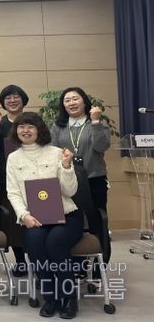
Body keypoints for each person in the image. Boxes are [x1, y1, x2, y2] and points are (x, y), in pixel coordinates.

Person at [6, 112, 81, 319]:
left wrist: (66, 166)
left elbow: (70, 191)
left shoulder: (57, 153)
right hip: (35, 218)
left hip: (66, 215)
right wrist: (24, 215)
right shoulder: (13, 158)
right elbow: (13, 192)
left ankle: (69, 297)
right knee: (35, 243)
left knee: (55, 242)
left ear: (39, 129)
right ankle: (51, 297)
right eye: (21, 126)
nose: (25, 130)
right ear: (16, 131)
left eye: (30, 126)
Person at [51, 87, 112, 265]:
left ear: (84, 101)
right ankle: (77, 263)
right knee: (72, 222)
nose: (72, 103)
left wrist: (95, 122)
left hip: (94, 179)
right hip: (67, 181)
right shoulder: (58, 126)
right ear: (63, 105)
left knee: (97, 221)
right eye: (67, 100)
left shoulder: (97, 123)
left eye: (75, 99)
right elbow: (53, 152)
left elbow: (101, 146)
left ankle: (100, 264)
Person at [0, 85, 29, 275]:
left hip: (32, 180)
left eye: (16, 97)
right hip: (6, 180)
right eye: (8, 98)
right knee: (12, 221)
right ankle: (20, 260)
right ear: (3, 103)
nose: (12, 101)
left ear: (23, 99)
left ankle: (36, 257)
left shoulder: (32, 120)